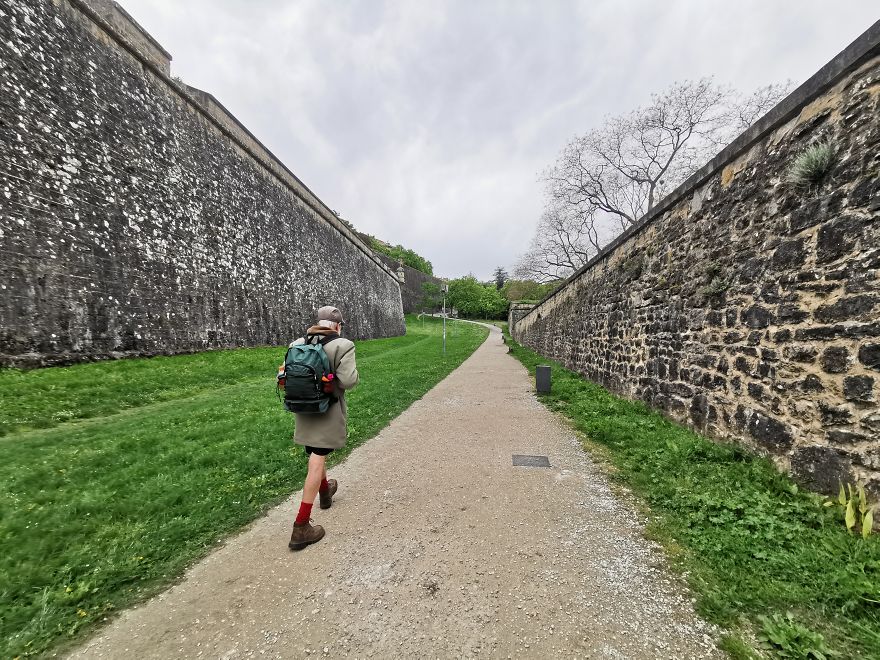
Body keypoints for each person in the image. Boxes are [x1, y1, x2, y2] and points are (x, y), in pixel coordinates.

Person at [288, 305, 359, 551]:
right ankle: (301, 526)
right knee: (318, 457)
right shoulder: (343, 345)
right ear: (338, 326)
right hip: (326, 409)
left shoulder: (297, 343)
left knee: (316, 451)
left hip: (303, 408)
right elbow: (349, 381)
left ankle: (325, 492)